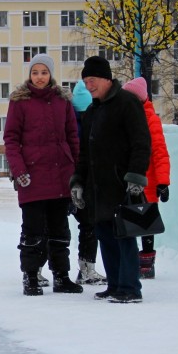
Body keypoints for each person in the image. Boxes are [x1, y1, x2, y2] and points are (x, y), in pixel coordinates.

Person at [70, 56, 151, 303]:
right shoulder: (93, 111)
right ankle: (115, 284)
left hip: (121, 184)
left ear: (106, 78)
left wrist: (136, 177)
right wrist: (78, 182)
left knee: (124, 236)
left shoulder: (127, 103)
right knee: (105, 235)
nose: (89, 86)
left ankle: (130, 287)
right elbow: (85, 153)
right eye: (85, 82)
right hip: (98, 187)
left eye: (92, 80)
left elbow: (141, 142)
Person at [4, 53, 82, 296]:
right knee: (33, 231)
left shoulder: (62, 101)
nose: (40, 77)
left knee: (60, 231)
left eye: (44, 72)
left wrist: (78, 171)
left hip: (61, 175)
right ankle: (31, 277)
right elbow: (11, 139)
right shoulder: (20, 101)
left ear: (51, 74)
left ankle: (61, 276)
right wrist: (19, 171)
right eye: (35, 72)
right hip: (33, 178)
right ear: (30, 74)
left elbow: (72, 137)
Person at [122, 77, 171, 279]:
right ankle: (132, 260)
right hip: (127, 178)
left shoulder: (150, 119)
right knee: (128, 221)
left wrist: (163, 182)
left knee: (146, 223)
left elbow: (159, 151)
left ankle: (146, 261)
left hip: (148, 180)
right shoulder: (124, 117)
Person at [69, 80, 107, 286]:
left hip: (73, 178)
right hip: (85, 179)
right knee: (89, 225)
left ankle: (83, 268)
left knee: (83, 226)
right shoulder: (91, 119)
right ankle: (86, 268)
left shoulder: (70, 119)